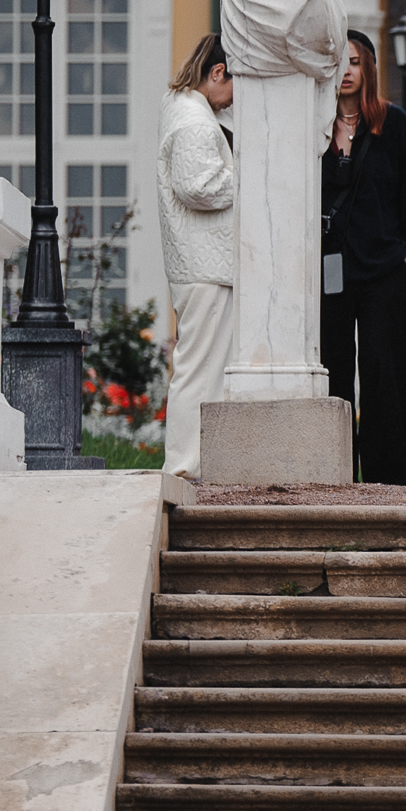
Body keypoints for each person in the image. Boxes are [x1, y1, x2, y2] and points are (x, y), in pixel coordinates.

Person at [322, 31, 406, 484]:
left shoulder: (393, 123)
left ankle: (386, 481)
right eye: (338, 62)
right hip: (329, 272)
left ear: (368, 68)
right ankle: (333, 475)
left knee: (383, 374)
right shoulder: (315, 124)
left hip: (384, 271)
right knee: (331, 373)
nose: (346, 71)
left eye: (354, 62)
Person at [157, 34, 236, 481]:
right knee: (199, 368)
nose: (233, 99)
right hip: (204, 263)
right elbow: (198, 187)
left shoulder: (185, 109)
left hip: (201, 261)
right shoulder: (194, 120)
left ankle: (195, 464)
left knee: (203, 368)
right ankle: (185, 468)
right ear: (217, 73)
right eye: (234, 84)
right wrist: (244, 175)